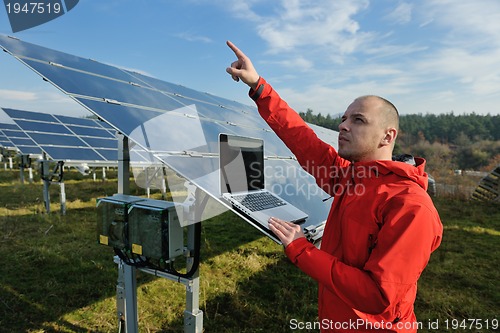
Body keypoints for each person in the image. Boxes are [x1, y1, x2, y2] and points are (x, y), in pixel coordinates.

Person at [225, 40, 443, 333]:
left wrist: (301, 250)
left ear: (387, 136)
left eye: (358, 120)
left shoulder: (410, 206)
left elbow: (378, 295)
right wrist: (259, 87)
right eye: (343, 119)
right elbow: (302, 138)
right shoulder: (352, 178)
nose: (343, 125)